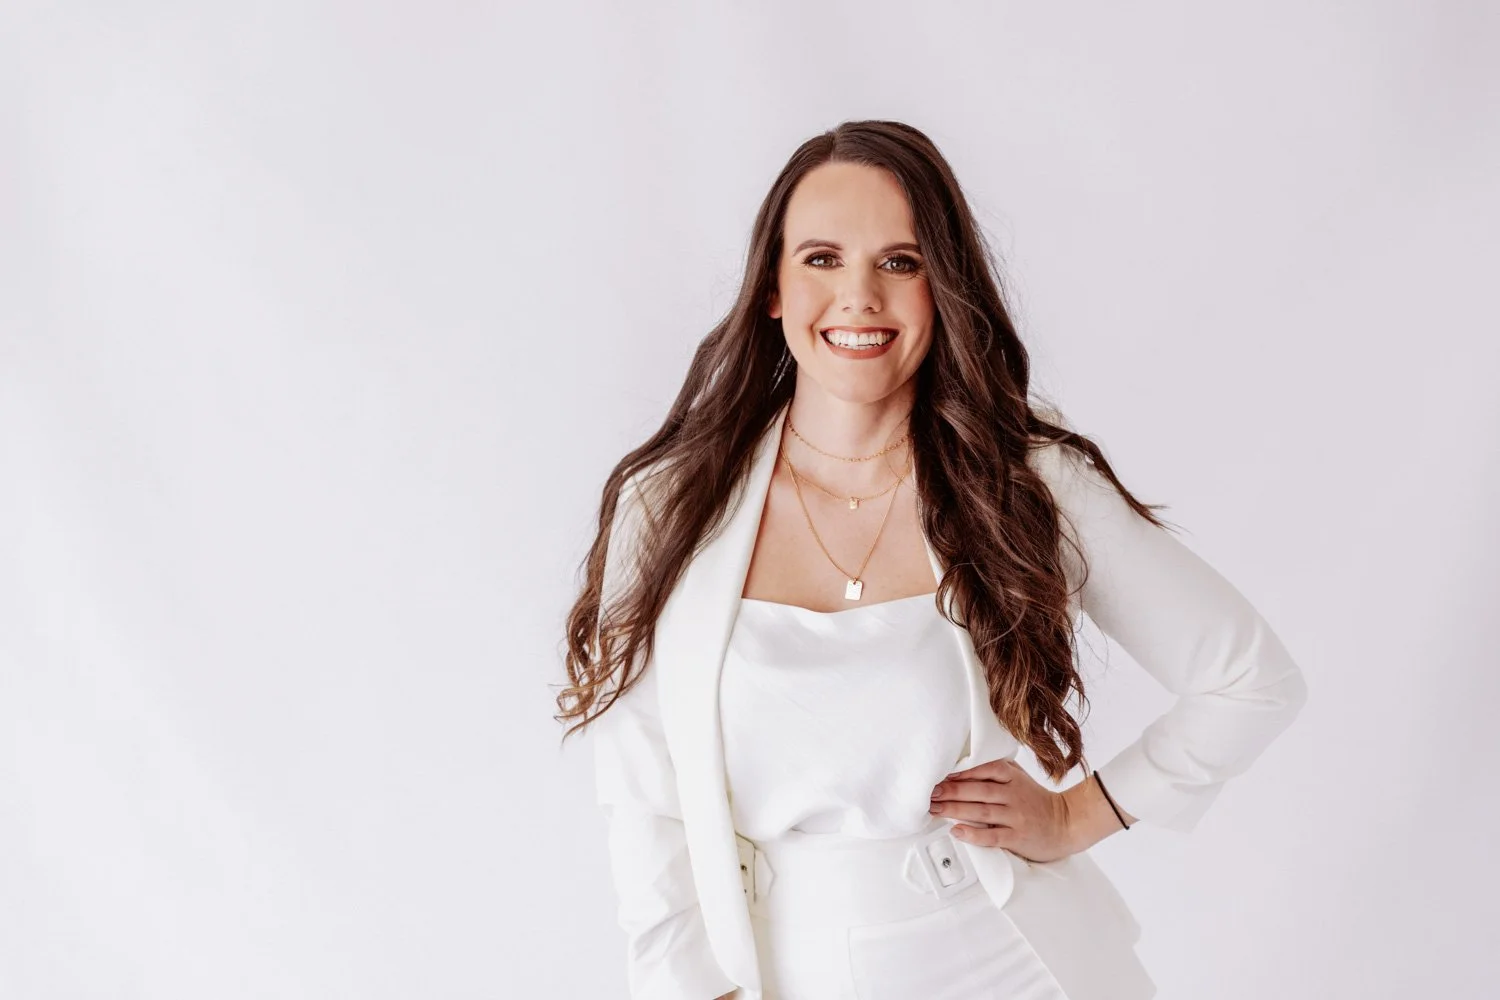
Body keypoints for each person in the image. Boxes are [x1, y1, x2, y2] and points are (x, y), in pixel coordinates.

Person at [556, 119, 1308, 1000]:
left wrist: (1075, 815)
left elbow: (1250, 680)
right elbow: (646, 800)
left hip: (1008, 963)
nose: (860, 297)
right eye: (822, 259)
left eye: (901, 263)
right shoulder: (670, 505)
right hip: (776, 967)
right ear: (771, 287)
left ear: (943, 289)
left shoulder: (1027, 484)